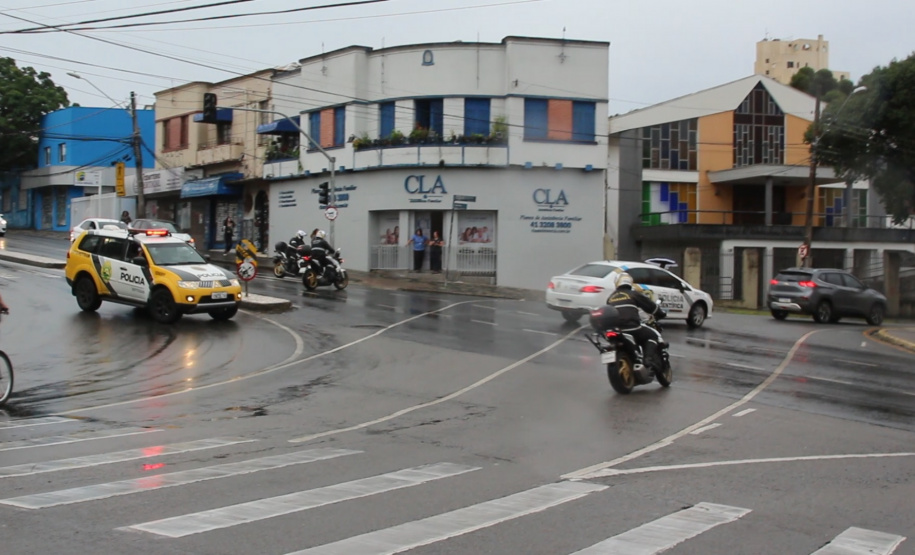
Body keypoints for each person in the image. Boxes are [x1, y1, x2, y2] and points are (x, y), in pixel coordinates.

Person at [604, 272, 667, 371]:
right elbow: (651, 306)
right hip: (631, 327)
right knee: (652, 336)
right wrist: (660, 313)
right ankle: (648, 358)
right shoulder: (633, 294)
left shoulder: (610, 297)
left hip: (616, 329)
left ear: (617, 283)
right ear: (630, 282)